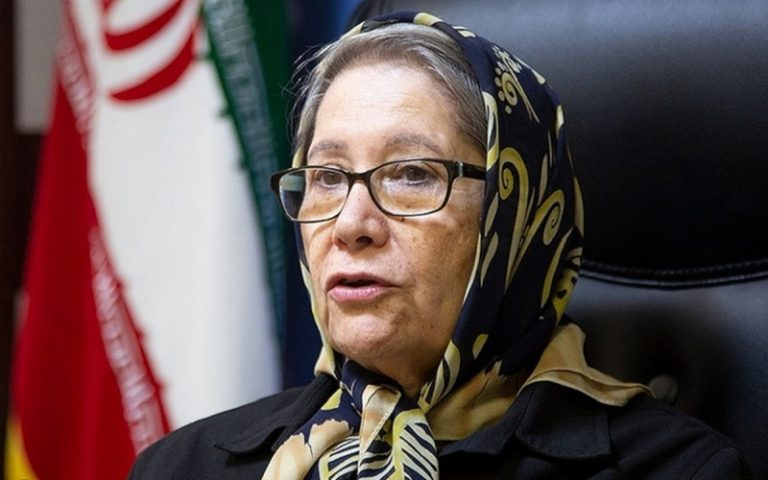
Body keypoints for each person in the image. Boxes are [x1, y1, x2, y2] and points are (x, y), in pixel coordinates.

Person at [129, 11, 750, 479]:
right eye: (327, 178)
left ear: (513, 215)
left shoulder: (678, 469)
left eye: (410, 174)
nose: (350, 224)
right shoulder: (185, 466)